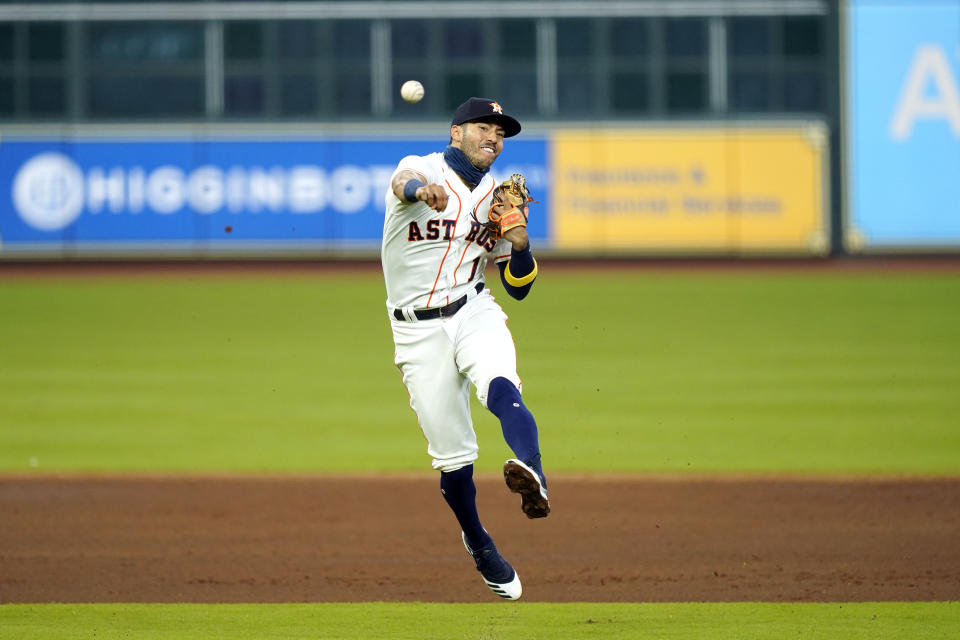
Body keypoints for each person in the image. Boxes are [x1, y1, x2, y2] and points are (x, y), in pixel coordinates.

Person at [380, 97, 549, 600]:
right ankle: (478, 542)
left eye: (501, 131)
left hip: (473, 308)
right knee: (453, 459)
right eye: (484, 127)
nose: (494, 137)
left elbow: (518, 287)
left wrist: (520, 245)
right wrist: (420, 191)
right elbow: (399, 184)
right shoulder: (421, 169)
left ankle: (533, 475)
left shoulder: (499, 197)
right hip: (415, 330)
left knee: (500, 381)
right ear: (457, 133)